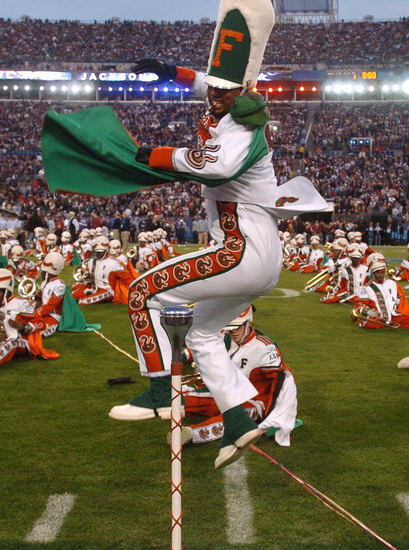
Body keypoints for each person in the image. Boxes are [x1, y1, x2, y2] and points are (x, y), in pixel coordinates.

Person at [108, 0, 319, 469]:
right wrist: (173, 71)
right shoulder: (231, 100)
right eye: (214, 89)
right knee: (202, 335)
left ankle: (160, 391)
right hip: (255, 255)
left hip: (242, 250)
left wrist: (151, 155)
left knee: (144, 292)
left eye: (225, 92)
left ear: (243, 90)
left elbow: (212, 165)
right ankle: (240, 422)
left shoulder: (245, 127)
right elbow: (211, 82)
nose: (215, 97)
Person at [174, 307, 298, 447]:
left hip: (252, 402)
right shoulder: (224, 336)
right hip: (224, 393)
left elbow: (283, 382)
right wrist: (181, 355)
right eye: (229, 327)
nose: (232, 331)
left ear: (249, 323)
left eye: (237, 327)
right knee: (178, 400)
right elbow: (202, 346)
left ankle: (190, 434)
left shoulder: (265, 348)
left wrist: (272, 416)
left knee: (234, 418)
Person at [0, 268, 58, 374]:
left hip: (22, 342)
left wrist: (22, 327)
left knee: (11, 343)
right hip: (5, 340)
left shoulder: (21, 303)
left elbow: (41, 324)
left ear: (6, 291)